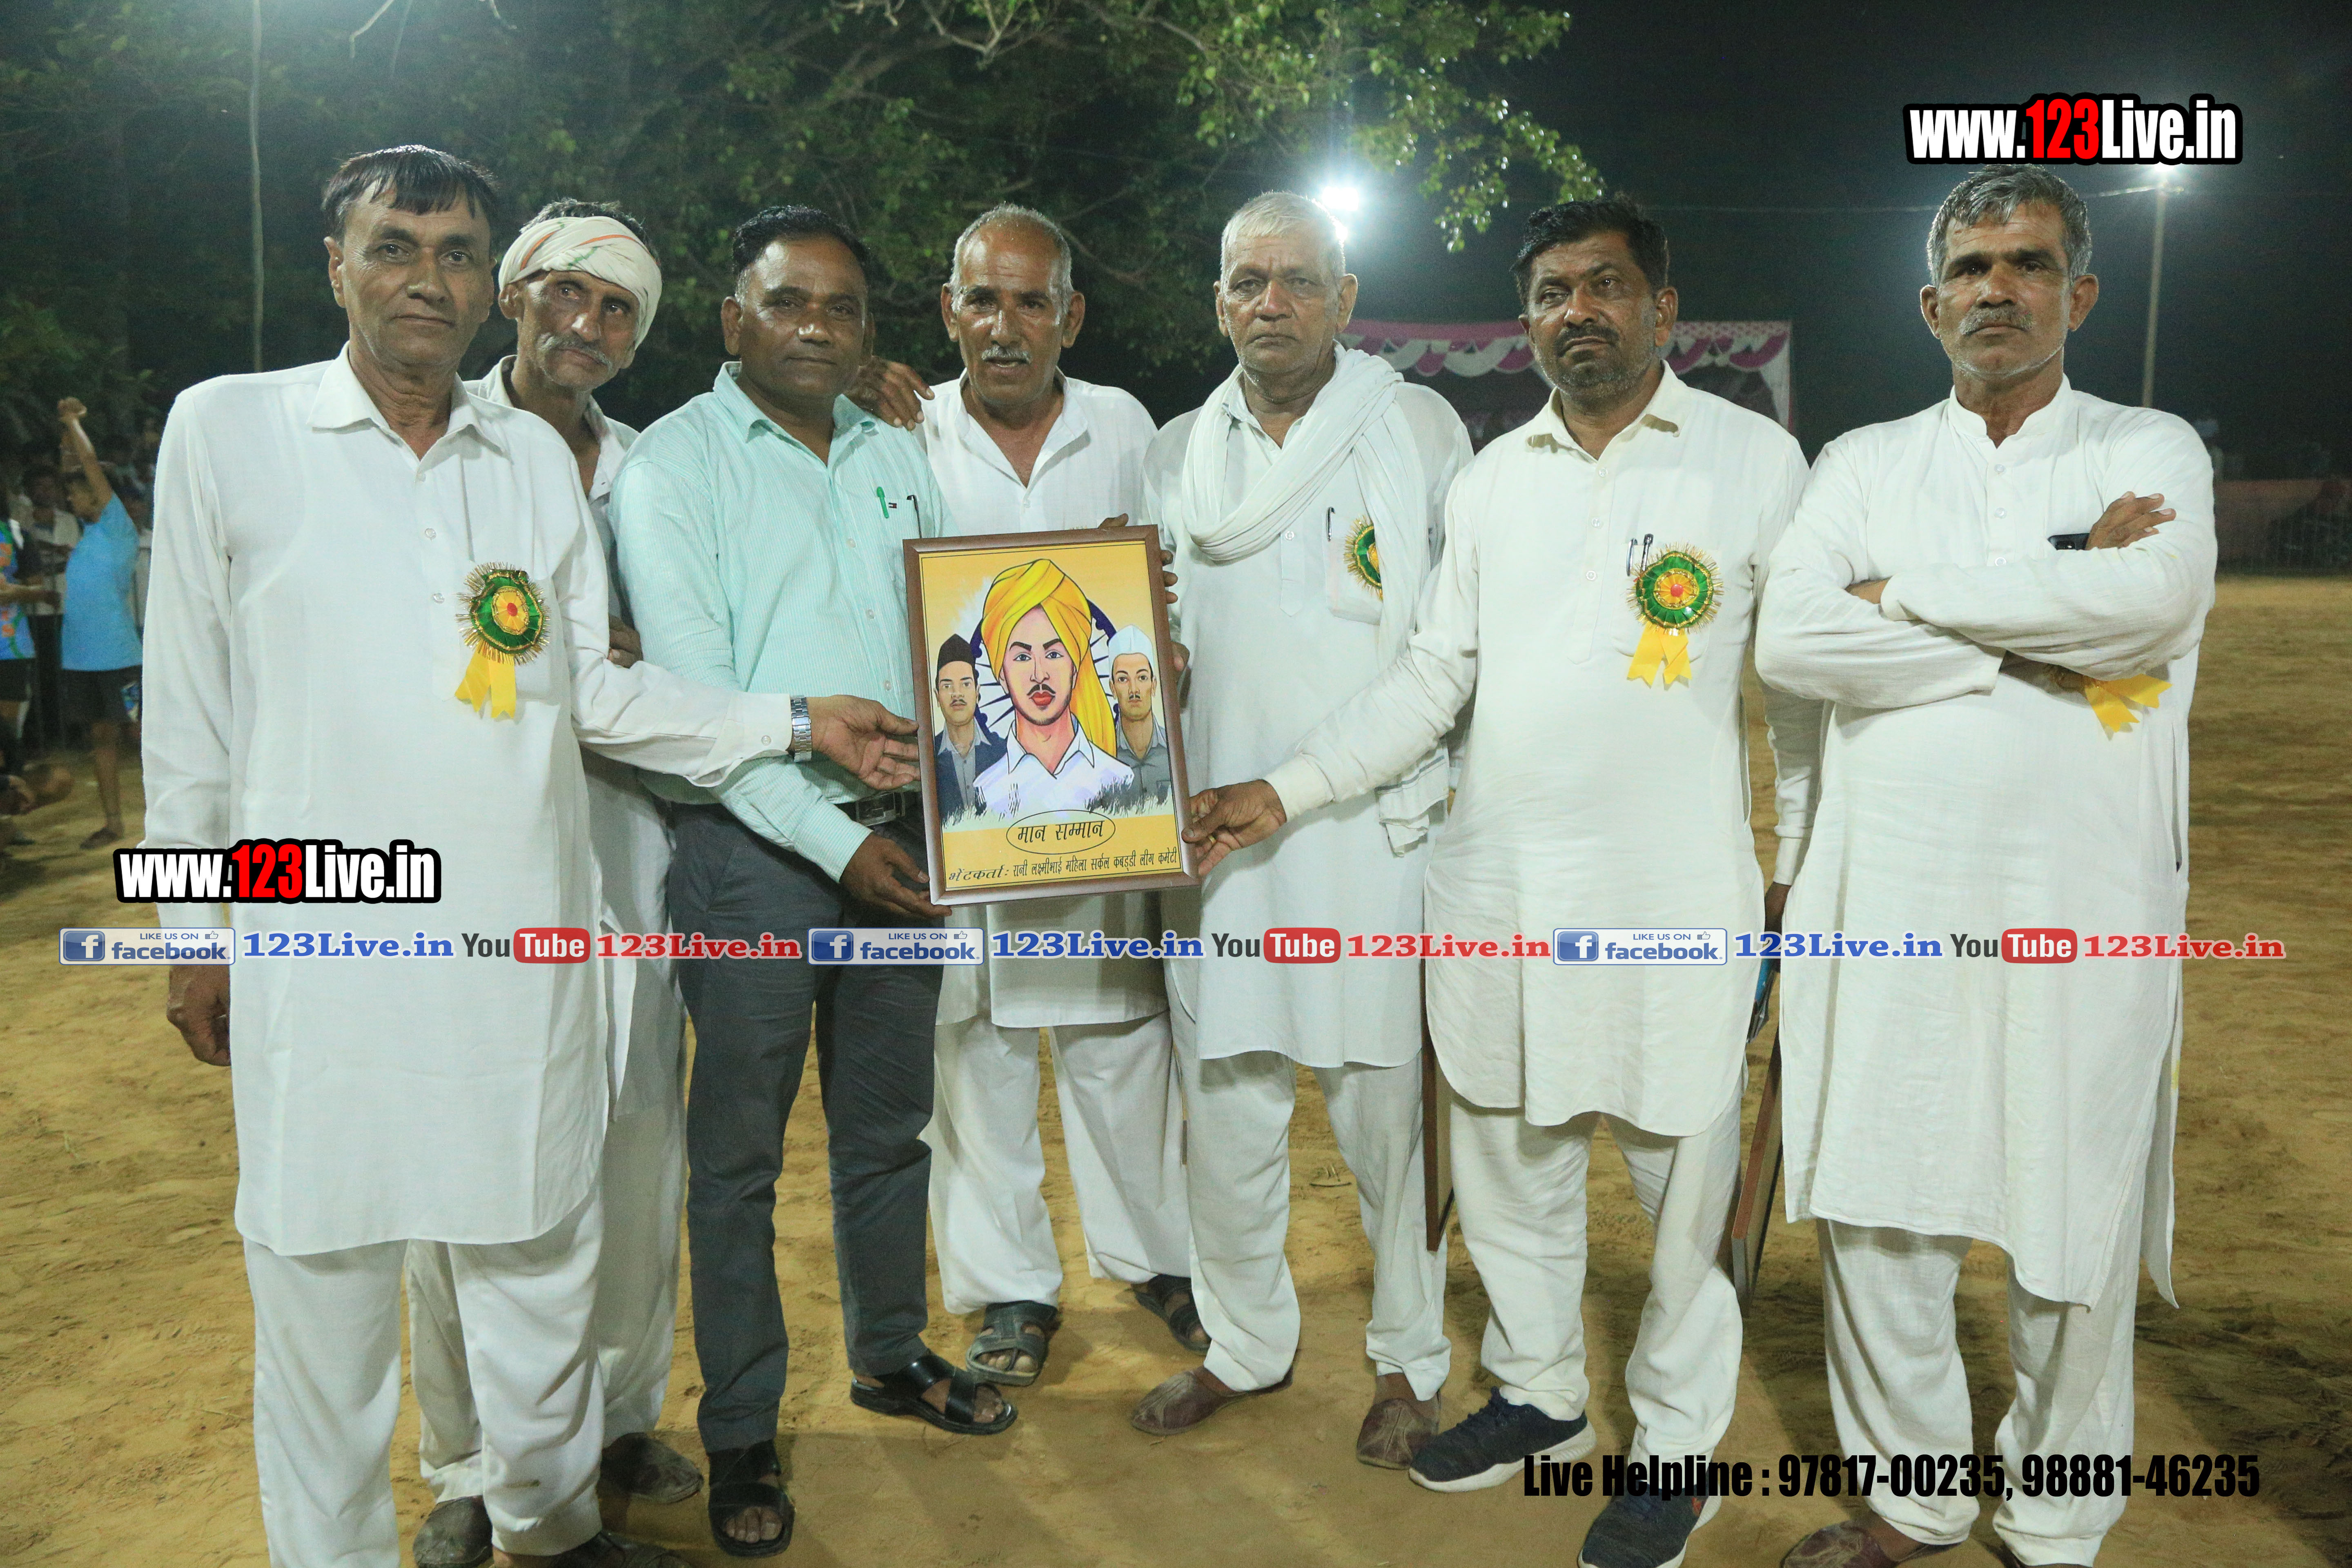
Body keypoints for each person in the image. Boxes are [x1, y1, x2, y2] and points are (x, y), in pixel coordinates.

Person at [141, 145, 919, 1568]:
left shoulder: (535, 472)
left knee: (540, 1264)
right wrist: (193, 932)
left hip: (520, 947)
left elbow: (596, 694)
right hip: (323, 954)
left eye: (451, 253)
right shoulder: (231, 429)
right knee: (324, 1296)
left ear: (481, 281)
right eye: (394, 247)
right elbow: (188, 712)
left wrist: (798, 716)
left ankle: (550, 1529)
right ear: (337, 264)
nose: (424, 280)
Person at [1183, 197, 1820, 1568]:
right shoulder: (1491, 480)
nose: (1576, 311)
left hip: (1672, 901)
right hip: (1499, 890)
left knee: (1684, 1185)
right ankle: (1540, 1396)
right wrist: (1280, 790)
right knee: (1512, 1160)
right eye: (1549, 292)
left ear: (1663, 307)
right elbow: (1433, 677)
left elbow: (1805, 695)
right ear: (1525, 321)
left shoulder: (1755, 463)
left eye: (1605, 285)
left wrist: (1806, 871)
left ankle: (1675, 1450)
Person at [1754, 165, 2215, 1568]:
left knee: (2072, 1209)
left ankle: (2056, 1519)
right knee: (1882, 1199)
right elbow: (1793, 639)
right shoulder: (1862, 461)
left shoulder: (2147, 446)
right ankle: (1913, 1500)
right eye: (1971, 267)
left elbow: (2150, 604)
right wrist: (2030, 636)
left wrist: (1903, 598)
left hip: (2087, 899)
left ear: (2081, 294)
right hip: (1882, 893)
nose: (1997, 289)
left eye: (2029, 264)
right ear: (1929, 303)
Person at [611, 202, 1014, 1561]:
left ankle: (890, 1356)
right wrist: (842, 849)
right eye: (787, 303)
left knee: (888, 1129)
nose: (816, 328)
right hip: (753, 859)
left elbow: (949, 646)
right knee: (735, 1160)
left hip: (904, 842)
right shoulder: (673, 467)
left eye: (843, 308)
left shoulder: (897, 452)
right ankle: (739, 1428)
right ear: (734, 320)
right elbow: (699, 709)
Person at [1130, 191, 1470, 1468]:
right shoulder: (1178, 451)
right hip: (1214, 841)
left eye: (1297, 279)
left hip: (1371, 835)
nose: (1269, 303)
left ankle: (1407, 1360)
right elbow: (1151, 645)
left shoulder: (1418, 429)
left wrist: (1312, 782)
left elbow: (1450, 648)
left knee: (1386, 1117)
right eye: (1245, 281)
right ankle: (1244, 1341)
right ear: (1218, 301)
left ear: (1346, 297)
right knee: (1226, 1106)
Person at [400, 198, 700, 1568]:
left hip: (627, 828)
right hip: (471, 840)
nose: (586, 323)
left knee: (636, 1135)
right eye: (565, 293)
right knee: (463, 1144)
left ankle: (619, 1417)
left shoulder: (654, 470)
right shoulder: (436, 439)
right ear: (514, 295)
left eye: (617, 307)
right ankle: (470, 1460)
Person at [912, 205, 1198, 1390]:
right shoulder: (903, 429)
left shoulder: (1125, 425)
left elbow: (1168, 589)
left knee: (1118, 1036)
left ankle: (1159, 1259)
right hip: (962, 808)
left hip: (1095, 801)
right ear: (949, 311)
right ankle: (1011, 1289)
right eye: (982, 299)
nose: (1005, 326)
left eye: (1031, 301)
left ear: (1070, 316)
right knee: (973, 1051)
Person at [967, 557, 1136, 816]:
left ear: (1075, 668)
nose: (1039, 675)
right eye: (1022, 657)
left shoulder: (1120, 782)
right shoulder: (985, 797)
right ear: (1001, 676)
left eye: (1054, 654)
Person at [55, 397, 142, 849]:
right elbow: (73, 468)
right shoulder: (90, 535)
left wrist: (74, 422)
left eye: (77, 493)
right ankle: (114, 824)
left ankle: (184, 819)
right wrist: (65, 433)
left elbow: (87, 466)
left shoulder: (116, 526)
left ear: (97, 497)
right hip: (82, 659)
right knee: (102, 739)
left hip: (119, 657)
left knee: (143, 737)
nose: (71, 498)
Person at [931, 632, 1004, 821]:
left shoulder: (1004, 753)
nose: (957, 694)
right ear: (937, 696)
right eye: (947, 686)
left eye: (965, 684)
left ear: (977, 692)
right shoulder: (927, 757)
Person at [1106, 624, 1171, 801]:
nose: (1134, 690)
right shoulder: (1103, 756)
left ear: (1154, 685)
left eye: (1142, 678)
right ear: (1113, 688)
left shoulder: (1175, 751)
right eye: (1123, 679)